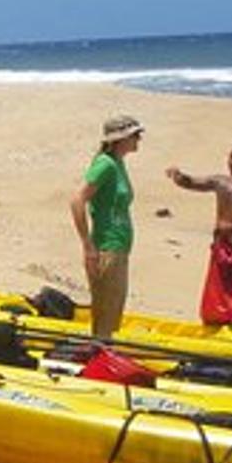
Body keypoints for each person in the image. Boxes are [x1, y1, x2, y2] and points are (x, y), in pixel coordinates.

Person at [166, 140, 232, 326]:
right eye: (231, 157)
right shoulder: (221, 183)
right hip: (220, 255)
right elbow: (193, 182)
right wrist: (178, 176)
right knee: (214, 308)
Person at [70, 115, 144, 338]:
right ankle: (99, 356)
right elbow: (77, 200)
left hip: (119, 246)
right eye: (134, 136)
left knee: (112, 311)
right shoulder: (106, 164)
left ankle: (102, 351)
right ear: (120, 139)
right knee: (106, 312)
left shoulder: (118, 164)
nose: (138, 140)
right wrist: (87, 245)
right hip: (106, 246)